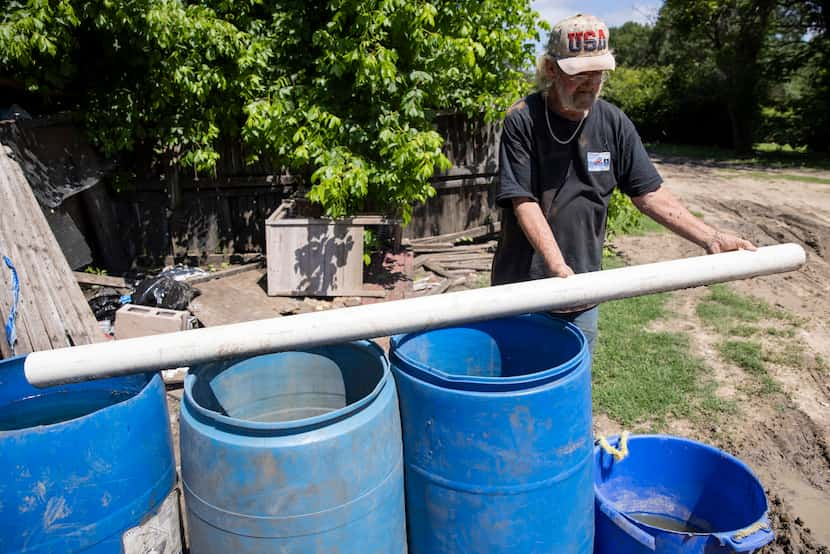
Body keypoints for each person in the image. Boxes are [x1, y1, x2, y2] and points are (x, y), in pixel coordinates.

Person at [491, 13, 755, 353]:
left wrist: (712, 238)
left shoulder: (614, 123)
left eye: (597, 72)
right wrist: (557, 266)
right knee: (517, 383)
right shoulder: (522, 119)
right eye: (579, 73)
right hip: (521, 291)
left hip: (582, 292)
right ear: (552, 69)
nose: (590, 82)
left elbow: (649, 193)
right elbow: (523, 200)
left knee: (571, 388)